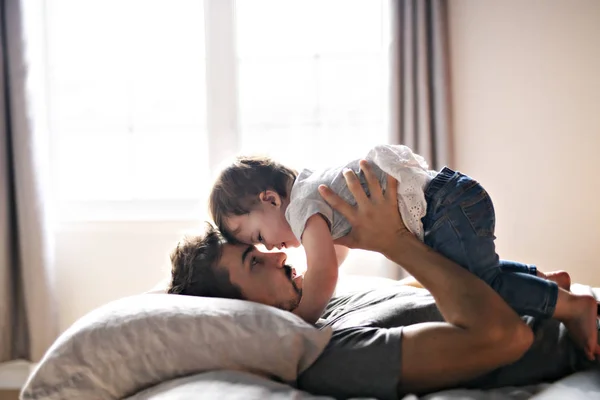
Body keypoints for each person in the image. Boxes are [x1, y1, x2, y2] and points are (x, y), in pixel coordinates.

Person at [169, 165, 600, 399]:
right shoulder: (328, 356)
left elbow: (437, 290)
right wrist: (392, 241)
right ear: (239, 308)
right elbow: (508, 338)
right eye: (255, 259)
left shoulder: (329, 302)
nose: (280, 252)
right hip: (585, 346)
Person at [208, 145, 599, 359]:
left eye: (258, 235)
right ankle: (545, 282)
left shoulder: (302, 208)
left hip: (445, 206)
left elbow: (324, 271)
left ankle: (572, 307)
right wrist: (316, 277)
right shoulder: (312, 195)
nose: (270, 247)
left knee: (481, 286)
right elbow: (335, 260)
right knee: (474, 273)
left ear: (271, 199)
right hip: (451, 195)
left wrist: (305, 316)